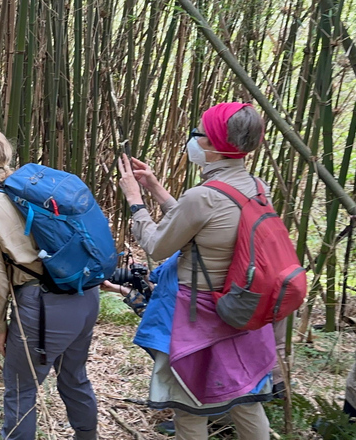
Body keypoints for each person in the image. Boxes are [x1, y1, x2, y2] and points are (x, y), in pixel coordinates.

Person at [116, 102, 277, 440]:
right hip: (241, 309)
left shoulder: (202, 196)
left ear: (214, 145)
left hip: (199, 318)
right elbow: (205, 228)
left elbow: (158, 245)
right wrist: (156, 188)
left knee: (189, 406)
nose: (192, 139)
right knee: (245, 401)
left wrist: (135, 201)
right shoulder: (257, 187)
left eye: (198, 133)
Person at [0, 126, 99, 440]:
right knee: (75, 378)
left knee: (21, 392)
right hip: (85, 295)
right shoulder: (40, 185)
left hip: (43, 309)